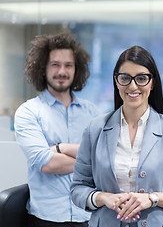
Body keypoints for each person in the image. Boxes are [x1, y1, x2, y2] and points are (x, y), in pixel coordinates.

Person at [70, 45, 163, 227]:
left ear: (152, 82)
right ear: (116, 82)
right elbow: (77, 189)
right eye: (125, 78)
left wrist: (152, 198)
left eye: (141, 78)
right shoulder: (95, 129)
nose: (133, 86)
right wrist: (103, 198)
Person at [14, 31, 100, 227]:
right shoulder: (29, 112)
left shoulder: (93, 113)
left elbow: (105, 158)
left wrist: (61, 148)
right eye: (55, 64)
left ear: (76, 70)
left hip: (88, 216)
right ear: (42, 69)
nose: (62, 71)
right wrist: (89, 159)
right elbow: (47, 164)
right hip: (47, 218)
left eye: (68, 65)